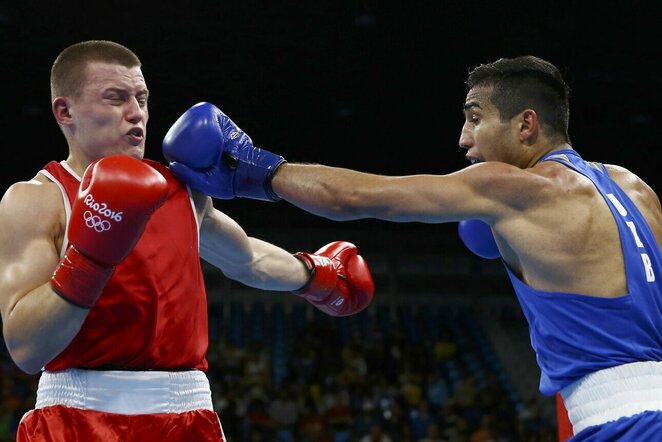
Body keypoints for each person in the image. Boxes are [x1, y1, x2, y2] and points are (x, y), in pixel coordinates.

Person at [162, 55, 662, 441]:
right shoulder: (636, 189)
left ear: (525, 124)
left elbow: (356, 196)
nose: (464, 138)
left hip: (620, 423)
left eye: (475, 117)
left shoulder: (514, 188)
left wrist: (257, 168)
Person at [0, 40, 375, 441]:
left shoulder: (179, 189)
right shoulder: (38, 198)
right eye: (116, 98)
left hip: (186, 416)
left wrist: (318, 275)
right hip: (76, 416)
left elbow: (246, 258)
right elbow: (26, 348)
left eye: (142, 99)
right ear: (65, 111)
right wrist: (90, 259)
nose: (136, 114)